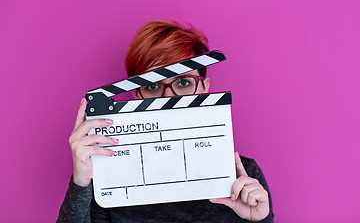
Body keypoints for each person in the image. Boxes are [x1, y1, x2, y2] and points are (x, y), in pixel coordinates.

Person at [58, 20, 274, 222]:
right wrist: (81, 185)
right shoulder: (109, 181)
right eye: (152, 86)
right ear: (136, 95)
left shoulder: (243, 178)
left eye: (183, 83)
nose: (169, 98)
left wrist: (259, 220)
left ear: (204, 88)